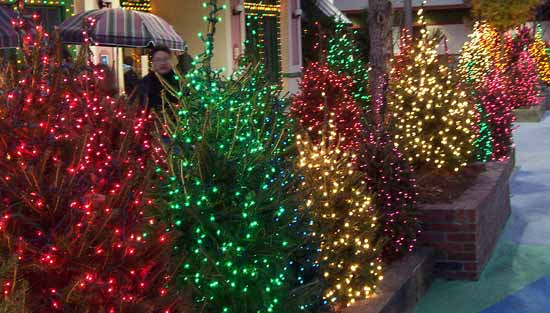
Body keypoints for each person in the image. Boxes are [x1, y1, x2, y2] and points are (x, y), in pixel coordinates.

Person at [139, 45, 179, 112]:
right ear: (153, 62)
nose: (162, 63)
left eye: (165, 59)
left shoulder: (178, 81)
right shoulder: (146, 82)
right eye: (158, 59)